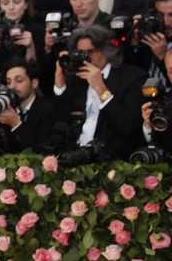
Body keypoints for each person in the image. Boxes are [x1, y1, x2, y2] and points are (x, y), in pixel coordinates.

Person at [53, 25, 148, 161]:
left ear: (106, 51)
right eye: (80, 52)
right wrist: (59, 83)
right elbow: (61, 119)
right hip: (75, 157)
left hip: (113, 160)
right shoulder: (75, 78)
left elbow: (129, 128)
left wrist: (101, 88)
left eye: (91, 52)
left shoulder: (133, 78)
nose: (85, 58)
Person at [0, 58, 57, 153]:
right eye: (8, 82)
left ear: (34, 83)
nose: (12, 86)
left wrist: (16, 124)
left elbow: (39, 151)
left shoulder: (46, 109)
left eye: (19, 80)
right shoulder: (7, 107)